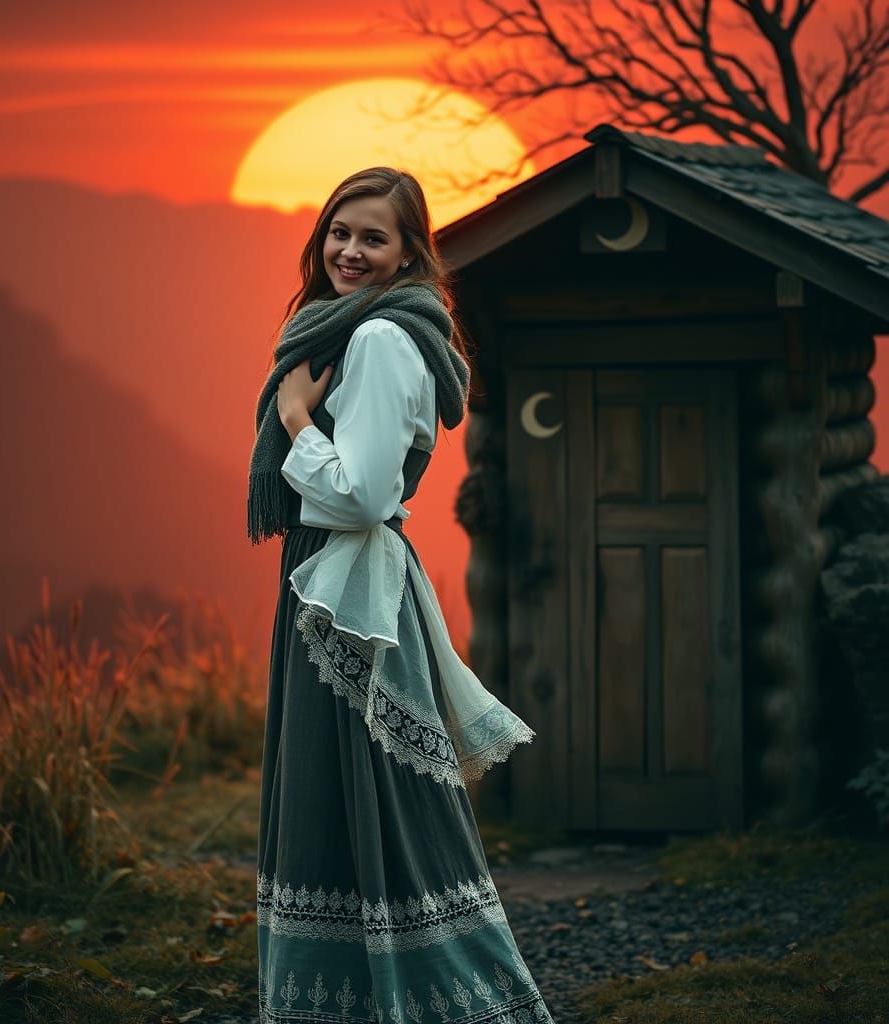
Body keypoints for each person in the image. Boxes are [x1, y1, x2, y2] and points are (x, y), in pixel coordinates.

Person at [248, 166, 555, 1024]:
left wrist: (298, 422)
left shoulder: (382, 340)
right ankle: (353, 995)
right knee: (342, 795)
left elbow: (367, 496)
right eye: (339, 231)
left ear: (410, 251)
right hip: (329, 583)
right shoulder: (347, 332)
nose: (350, 250)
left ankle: (428, 996)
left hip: (348, 588)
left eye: (373, 237)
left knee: (372, 795)